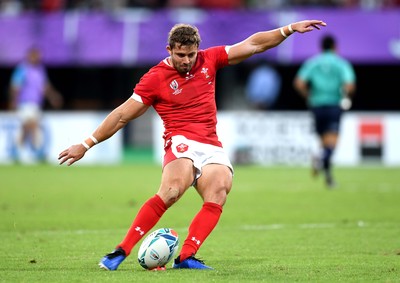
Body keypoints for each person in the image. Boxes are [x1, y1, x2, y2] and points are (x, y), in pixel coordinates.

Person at [58, 20, 326, 270]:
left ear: (198, 49)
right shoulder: (155, 78)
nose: (186, 61)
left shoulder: (210, 59)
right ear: (169, 50)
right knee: (173, 191)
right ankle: (121, 251)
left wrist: (289, 29)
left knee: (220, 188)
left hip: (211, 143)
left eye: (191, 55)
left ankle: (187, 256)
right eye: (180, 55)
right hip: (180, 141)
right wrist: (86, 143)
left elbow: (254, 44)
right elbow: (121, 116)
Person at [293, 34, 356, 188]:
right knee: (331, 144)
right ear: (335, 46)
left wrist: (309, 96)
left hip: (316, 106)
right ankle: (321, 161)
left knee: (324, 144)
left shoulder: (313, 62)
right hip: (334, 106)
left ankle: (329, 179)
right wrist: (346, 96)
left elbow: (299, 83)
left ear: (321, 47)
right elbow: (349, 85)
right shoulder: (341, 63)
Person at [9, 46, 63, 163]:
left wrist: (53, 97)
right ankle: (37, 153)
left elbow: (44, 87)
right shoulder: (23, 69)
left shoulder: (40, 70)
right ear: (29, 56)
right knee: (32, 125)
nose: (37, 58)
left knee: (26, 127)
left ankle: (18, 151)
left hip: (36, 104)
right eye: (35, 55)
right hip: (24, 103)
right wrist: (13, 101)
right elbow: (15, 86)